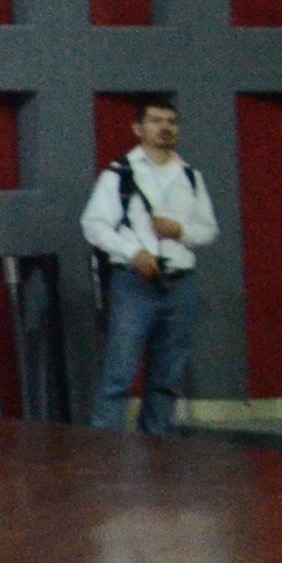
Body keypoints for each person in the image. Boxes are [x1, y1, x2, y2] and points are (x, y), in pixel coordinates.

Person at [85, 101, 219, 436]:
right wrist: (133, 253)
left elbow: (209, 230)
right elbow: (94, 224)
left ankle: (158, 447)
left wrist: (181, 231)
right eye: (156, 121)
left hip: (181, 281)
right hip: (135, 282)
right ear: (138, 128)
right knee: (119, 372)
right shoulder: (119, 174)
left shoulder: (190, 176)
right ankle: (105, 449)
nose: (165, 127)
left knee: (169, 376)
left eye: (172, 121)